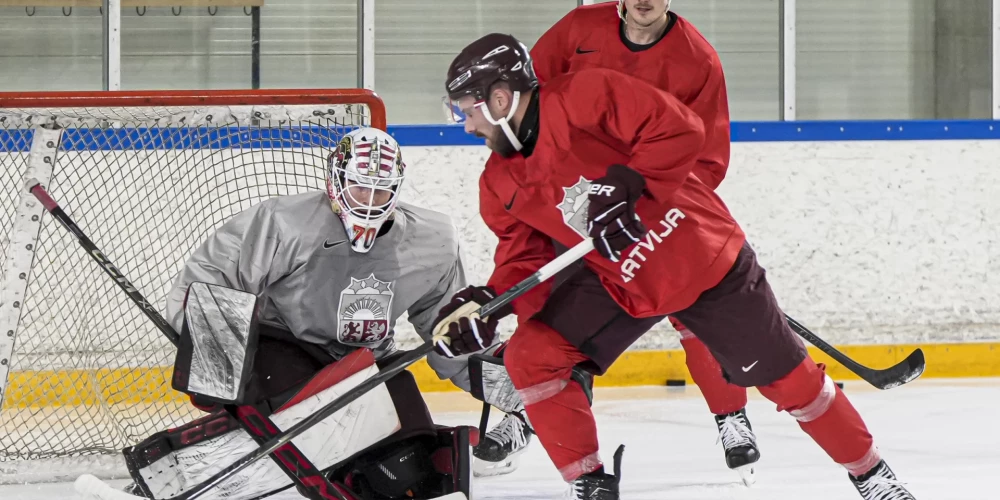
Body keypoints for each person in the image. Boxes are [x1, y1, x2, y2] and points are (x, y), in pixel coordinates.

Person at [436, 33, 916, 500]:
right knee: (532, 354)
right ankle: (589, 483)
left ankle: (872, 476)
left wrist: (630, 182)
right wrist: (490, 304)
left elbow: (679, 127)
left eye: (466, 110)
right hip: (621, 281)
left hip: (700, 257)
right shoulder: (497, 182)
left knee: (790, 382)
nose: (467, 125)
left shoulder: (584, 94)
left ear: (500, 99)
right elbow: (526, 259)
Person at [117, 127, 496, 500]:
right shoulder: (283, 222)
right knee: (277, 434)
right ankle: (172, 475)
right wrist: (215, 363)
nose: (369, 201)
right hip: (285, 352)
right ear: (336, 179)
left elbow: (448, 330)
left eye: (381, 190)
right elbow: (211, 275)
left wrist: (500, 380)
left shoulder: (434, 240)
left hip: (366, 365)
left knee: (408, 471)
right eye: (359, 186)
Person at [527, 0, 758, 482]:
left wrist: (655, 204)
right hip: (576, 200)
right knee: (551, 318)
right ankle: (519, 416)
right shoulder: (580, 28)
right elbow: (530, 98)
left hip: (655, 207)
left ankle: (731, 416)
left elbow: (707, 156)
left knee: (695, 307)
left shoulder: (697, 59)